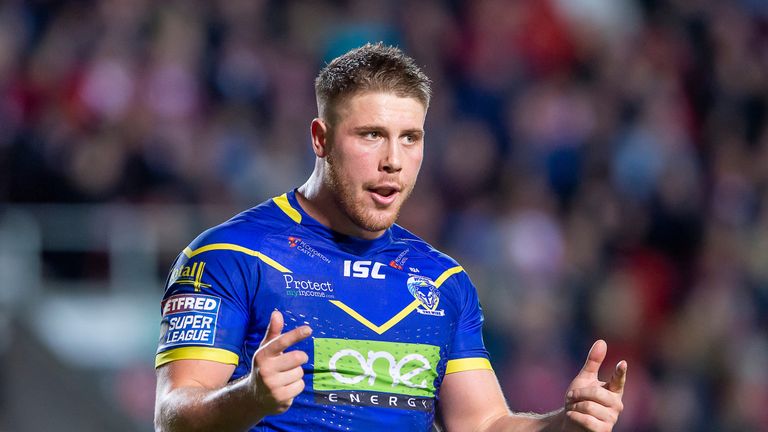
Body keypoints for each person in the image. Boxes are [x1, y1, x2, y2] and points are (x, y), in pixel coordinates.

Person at [153, 43, 627, 432]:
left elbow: (482, 425)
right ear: (321, 139)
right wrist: (249, 398)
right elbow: (172, 417)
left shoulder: (442, 281)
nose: (393, 161)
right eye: (372, 135)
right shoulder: (230, 257)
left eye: (410, 138)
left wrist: (565, 425)